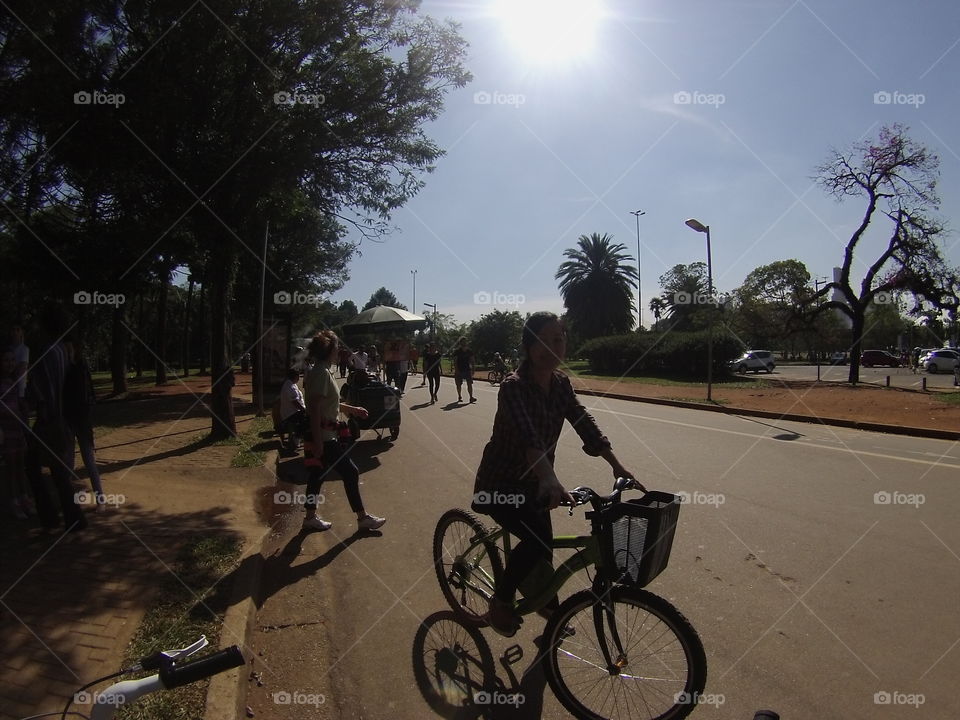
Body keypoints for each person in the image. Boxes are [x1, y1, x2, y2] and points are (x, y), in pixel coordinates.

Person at [471, 312, 637, 636]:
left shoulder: (560, 384)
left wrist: (617, 465)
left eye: (559, 339)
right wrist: (548, 478)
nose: (552, 347)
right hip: (499, 484)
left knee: (543, 551)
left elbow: (582, 421)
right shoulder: (513, 387)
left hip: (535, 483)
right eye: (543, 341)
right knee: (536, 542)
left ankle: (550, 612)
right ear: (528, 345)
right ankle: (500, 603)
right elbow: (528, 437)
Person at [301, 330, 385, 533]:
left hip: (323, 434)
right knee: (350, 472)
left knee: (317, 475)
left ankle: (310, 517)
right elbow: (314, 409)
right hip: (324, 436)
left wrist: (352, 409)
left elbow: (330, 404)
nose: (339, 350)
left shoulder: (323, 371)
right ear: (329, 350)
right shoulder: (321, 373)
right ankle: (362, 518)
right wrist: (319, 441)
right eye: (337, 346)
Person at [25, 305, 86, 531]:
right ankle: (73, 517)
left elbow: (42, 390)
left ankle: (53, 518)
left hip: (49, 418)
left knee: (33, 467)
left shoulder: (46, 351)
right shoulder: (63, 350)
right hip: (63, 419)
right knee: (58, 470)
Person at [63, 340, 105, 510]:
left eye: (69, 349)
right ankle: (72, 501)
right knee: (69, 462)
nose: (67, 352)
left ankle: (100, 499)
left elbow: (89, 395)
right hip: (70, 420)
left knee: (89, 462)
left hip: (81, 422)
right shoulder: (65, 369)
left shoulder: (80, 369)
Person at [1, 348, 34, 519]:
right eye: (6, 360)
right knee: (11, 468)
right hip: (6, 431)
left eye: (12, 360)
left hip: (18, 429)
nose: (10, 364)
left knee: (21, 466)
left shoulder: (15, 381)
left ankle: (24, 498)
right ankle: (13, 500)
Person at [277, 368, 307, 450]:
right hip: (290, 413)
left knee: (308, 416)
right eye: (298, 376)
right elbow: (295, 402)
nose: (299, 378)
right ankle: (297, 437)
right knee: (308, 419)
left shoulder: (292, 384)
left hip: (293, 411)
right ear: (295, 376)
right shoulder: (289, 386)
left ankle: (300, 437)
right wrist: (304, 410)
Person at [452, 337, 476, 403]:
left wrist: (473, 369)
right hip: (459, 370)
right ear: (460, 343)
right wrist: (456, 370)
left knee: (469, 384)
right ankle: (459, 396)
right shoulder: (457, 351)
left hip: (467, 369)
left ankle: (471, 397)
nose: (464, 343)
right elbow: (455, 361)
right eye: (463, 342)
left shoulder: (469, 351)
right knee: (458, 384)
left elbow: (472, 360)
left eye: (465, 341)